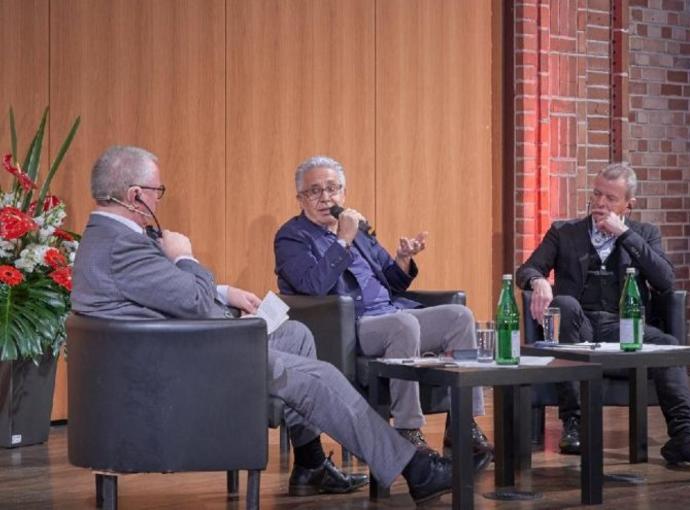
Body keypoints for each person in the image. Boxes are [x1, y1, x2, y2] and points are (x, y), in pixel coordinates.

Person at [71, 145, 460, 504]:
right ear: (136, 195)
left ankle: (309, 462)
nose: (159, 199)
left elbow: (165, 293)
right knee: (319, 377)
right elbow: (192, 300)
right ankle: (415, 468)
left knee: (295, 335)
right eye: (158, 191)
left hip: (179, 347)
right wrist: (184, 256)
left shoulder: (110, 238)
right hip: (183, 364)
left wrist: (224, 293)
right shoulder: (122, 246)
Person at [274, 155, 494, 460]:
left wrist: (403, 259)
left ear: (344, 193)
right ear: (300, 198)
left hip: (390, 313)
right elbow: (313, 286)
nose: (325, 197)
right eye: (315, 191)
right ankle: (407, 430)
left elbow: (392, 282)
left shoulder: (358, 230)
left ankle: (462, 423)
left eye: (332, 188)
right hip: (348, 326)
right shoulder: (292, 237)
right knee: (404, 325)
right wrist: (342, 241)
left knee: (460, 317)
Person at [515, 162, 690, 465]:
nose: (600, 203)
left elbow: (666, 280)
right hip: (579, 327)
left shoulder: (644, 234)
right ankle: (575, 424)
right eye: (596, 194)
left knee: (668, 344)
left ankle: (685, 436)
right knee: (564, 305)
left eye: (610, 198)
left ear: (629, 204)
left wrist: (625, 234)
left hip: (624, 327)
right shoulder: (565, 232)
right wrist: (538, 281)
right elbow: (527, 270)